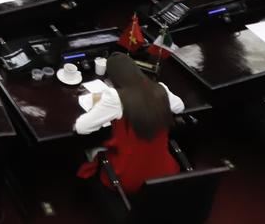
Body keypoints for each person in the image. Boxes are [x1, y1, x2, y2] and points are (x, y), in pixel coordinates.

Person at [75, 53, 185, 195]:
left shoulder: (115, 98)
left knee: (88, 150)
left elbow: (81, 128)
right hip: (163, 171)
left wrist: (100, 103)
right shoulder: (161, 89)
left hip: (127, 178)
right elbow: (179, 107)